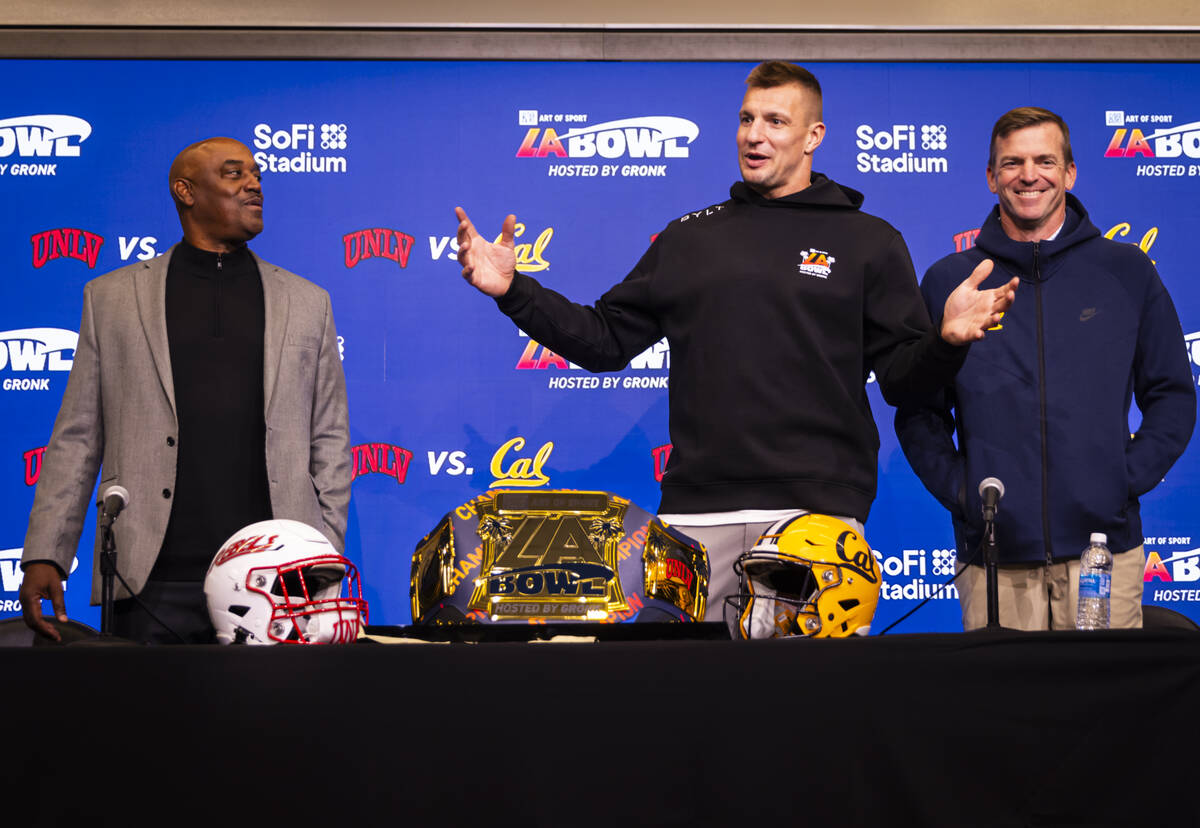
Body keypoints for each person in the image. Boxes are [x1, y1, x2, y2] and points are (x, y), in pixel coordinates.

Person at [455, 61, 1017, 621]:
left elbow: (901, 381)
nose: (755, 135)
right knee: (679, 679)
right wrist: (513, 289)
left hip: (815, 520)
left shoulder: (869, 241)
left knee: (808, 684)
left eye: (776, 121)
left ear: (813, 136)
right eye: (747, 119)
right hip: (695, 518)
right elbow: (603, 340)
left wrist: (946, 341)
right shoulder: (690, 238)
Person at [19, 136, 352, 643]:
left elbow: (330, 439)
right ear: (186, 191)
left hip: (277, 582)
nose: (254, 185)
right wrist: (47, 552)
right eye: (234, 173)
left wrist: (321, 551)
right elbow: (78, 437)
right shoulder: (111, 299)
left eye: (257, 175)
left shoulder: (308, 302)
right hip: (149, 579)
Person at [895, 107, 1195, 631]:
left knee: (1108, 688)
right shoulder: (953, 281)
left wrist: (1121, 482)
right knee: (1002, 690)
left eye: (1045, 161)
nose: (1028, 175)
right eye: (1012, 163)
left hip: (1103, 552)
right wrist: (967, 495)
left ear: (1070, 173)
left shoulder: (1126, 272)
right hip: (993, 558)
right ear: (991, 177)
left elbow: (1172, 393)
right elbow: (918, 409)